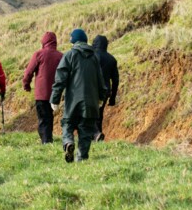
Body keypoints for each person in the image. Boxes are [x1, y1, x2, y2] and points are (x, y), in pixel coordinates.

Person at [50, 29, 107, 163]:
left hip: (73, 101)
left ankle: (69, 142)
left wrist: (55, 99)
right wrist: (100, 98)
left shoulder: (70, 55)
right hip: (91, 102)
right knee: (86, 131)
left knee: (67, 124)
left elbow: (60, 79)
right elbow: (101, 80)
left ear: (74, 41)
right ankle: (81, 158)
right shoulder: (94, 58)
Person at [22, 32, 63, 144]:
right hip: (56, 93)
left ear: (43, 41)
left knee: (43, 118)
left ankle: (46, 141)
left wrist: (26, 85)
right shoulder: (61, 56)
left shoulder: (39, 54)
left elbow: (28, 72)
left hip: (41, 93)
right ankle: (48, 139)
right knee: (49, 117)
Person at [92, 35, 120, 141]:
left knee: (89, 115)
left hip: (91, 90)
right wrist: (112, 97)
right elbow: (115, 80)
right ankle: (97, 137)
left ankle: (96, 135)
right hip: (105, 91)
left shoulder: (91, 56)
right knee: (99, 114)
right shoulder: (112, 59)